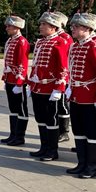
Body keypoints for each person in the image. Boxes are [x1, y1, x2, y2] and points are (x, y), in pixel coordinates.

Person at [66, 12, 96, 178]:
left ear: (87, 28)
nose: (73, 29)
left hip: (91, 98)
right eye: (72, 26)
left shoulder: (95, 46)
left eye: (76, 26)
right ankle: (81, 163)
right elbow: (71, 69)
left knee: (92, 133)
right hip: (77, 96)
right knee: (78, 131)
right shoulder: (75, 46)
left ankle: (92, 167)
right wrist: (70, 88)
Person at [28, 12, 69, 161]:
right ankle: (43, 147)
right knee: (40, 118)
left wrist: (59, 89)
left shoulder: (60, 42)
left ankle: (52, 150)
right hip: (38, 87)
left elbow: (63, 68)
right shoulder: (40, 42)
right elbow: (35, 65)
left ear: (53, 27)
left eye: (44, 24)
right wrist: (31, 83)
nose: (41, 27)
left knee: (51, 119)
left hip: (51, 88)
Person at [1, 15, 30, 146]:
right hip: (9, 79)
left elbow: (22, 64)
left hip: (18, 81)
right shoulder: (10, 41)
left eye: (9, 26)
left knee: (21, 109)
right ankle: (12, 134)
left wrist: (19, 83)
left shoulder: (22, 42)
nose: (7, 28)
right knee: (12, 108)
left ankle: (20, 136)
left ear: (17, 27)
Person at [54, 12, 73, 143]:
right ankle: (55, 129)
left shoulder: (65, 37)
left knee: (62, 105)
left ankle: (64, 131)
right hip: (51, 77)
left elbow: (64, 60)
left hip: (62, 76)